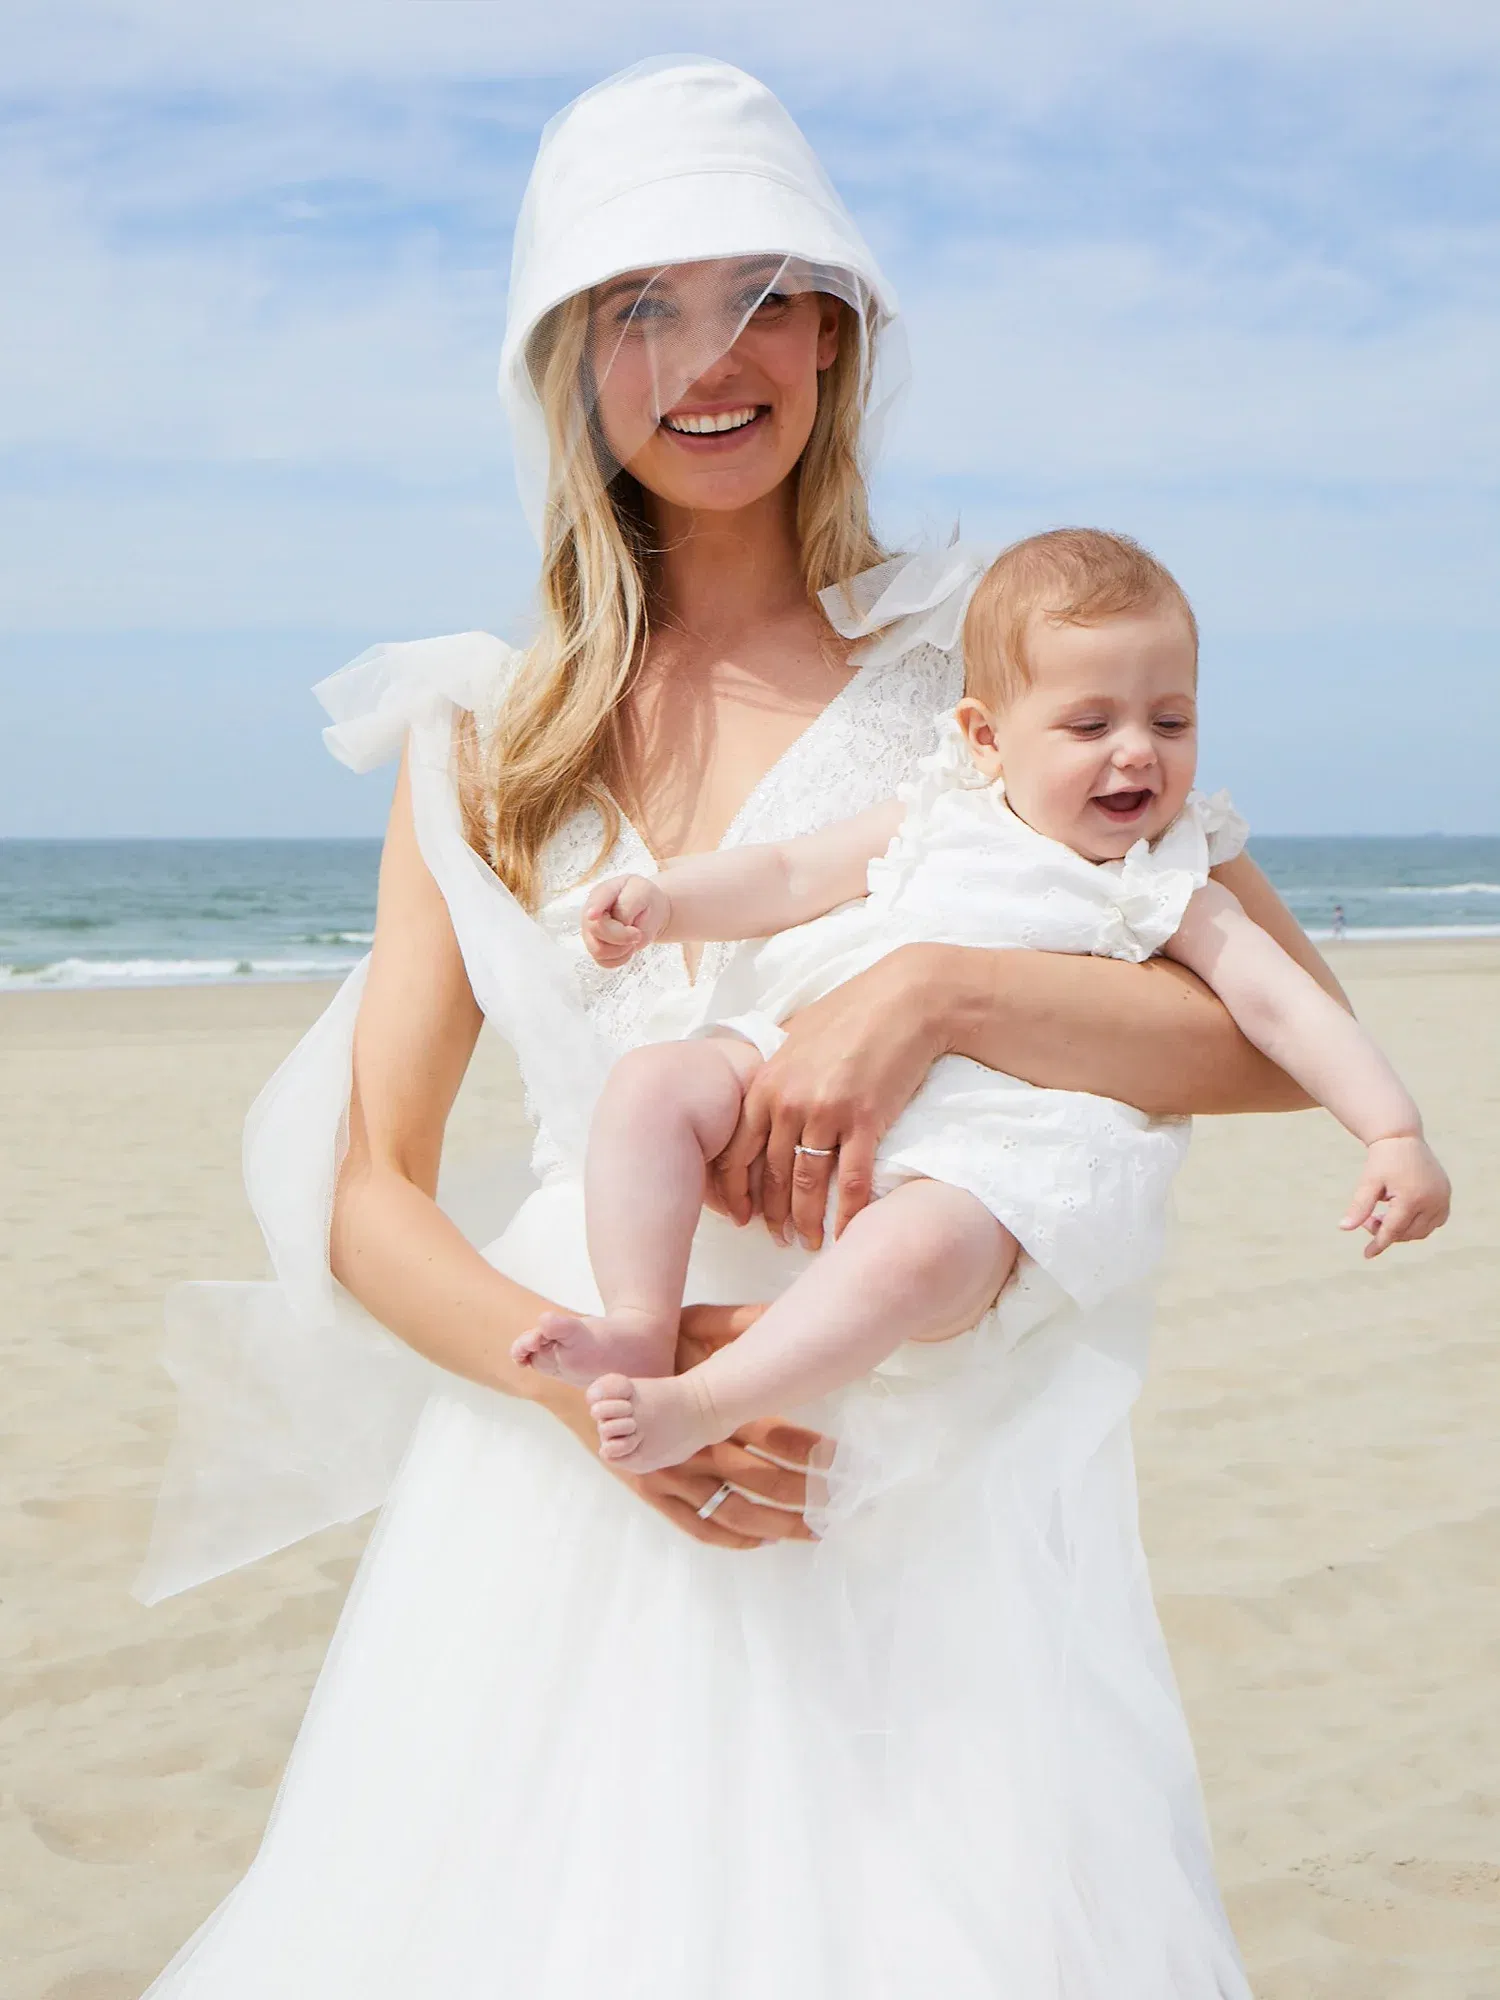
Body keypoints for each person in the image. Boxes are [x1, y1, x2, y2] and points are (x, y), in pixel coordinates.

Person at [138, 58, 1349, 2000]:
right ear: (567, 356)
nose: (711, 357)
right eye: (641, 305)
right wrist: (592, 1408)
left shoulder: (989, 655)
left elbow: (1283, 1041)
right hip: (564, 1490)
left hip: (907, 1482)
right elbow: (372, 1189)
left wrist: (932, 990)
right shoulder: (483, 735)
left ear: (841, 331)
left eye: (763, 291)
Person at [512, 529, 1450, 1475]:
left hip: (988, 1165)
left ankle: (705, 1400)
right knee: (651, 1085)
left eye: (1170, 723)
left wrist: (1392, 1133)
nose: (1136, 754)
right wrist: (670, 902)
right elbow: (792, 873)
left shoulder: (1170, 881)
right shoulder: (939, 812)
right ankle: (636, 1321)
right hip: (809, 1062)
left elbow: (1288, 1008)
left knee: (912, 1256)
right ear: (986, 737)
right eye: (1091, 727)